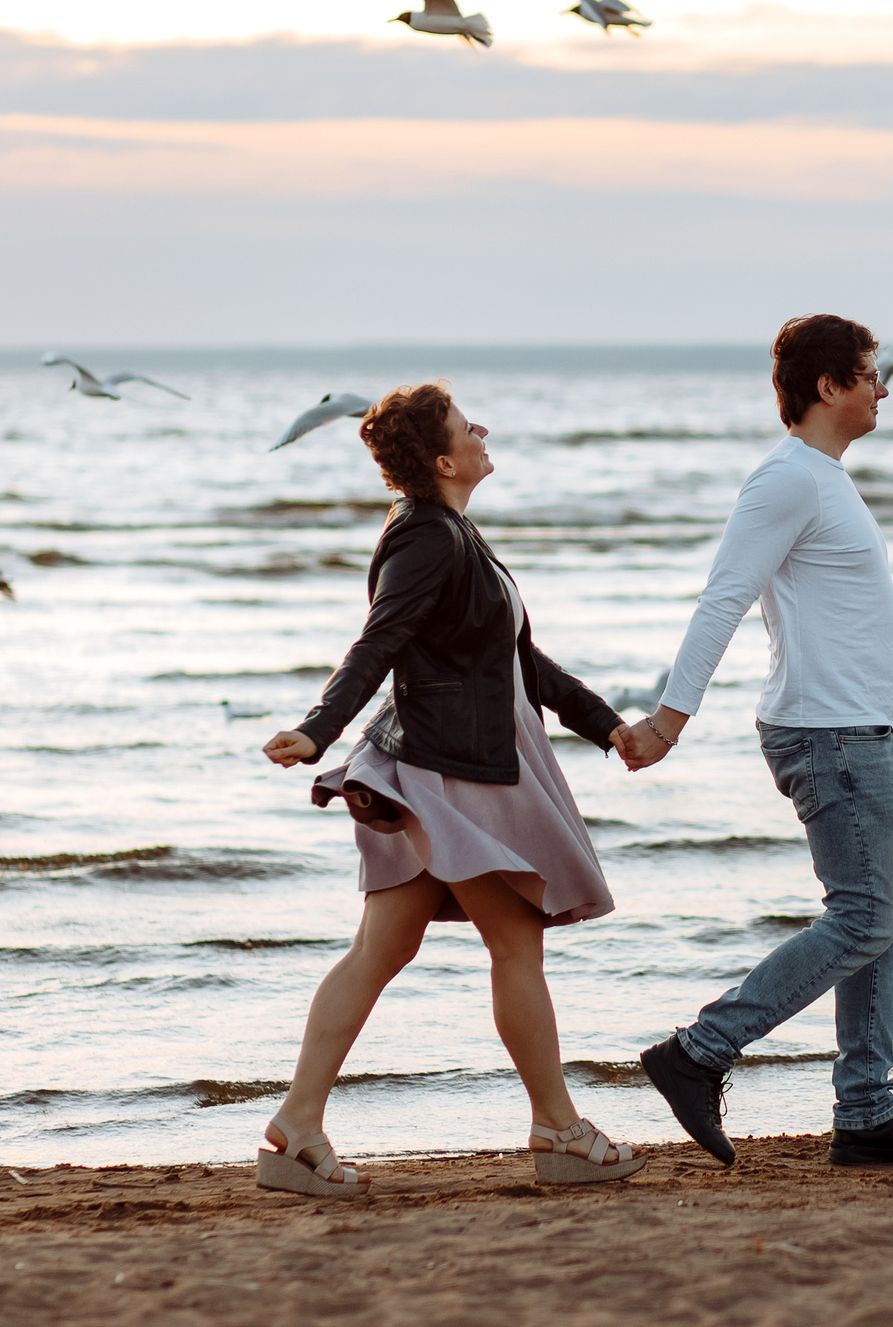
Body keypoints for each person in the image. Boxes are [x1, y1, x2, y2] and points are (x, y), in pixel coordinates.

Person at [255, 382, 661, 1195]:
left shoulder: (452, 533)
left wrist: (606, 724)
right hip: (448, 771)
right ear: (444, 461)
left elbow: (517, 661)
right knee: (514, 943)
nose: (482, 429)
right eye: (465, 426)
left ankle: (296, 1128)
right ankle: (558, 1128)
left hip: (446, 761)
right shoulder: (427, 540)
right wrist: (318, 727)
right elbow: (377, 643)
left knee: (382, 948)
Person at [620, 314, 893, 1168]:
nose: (884, 389)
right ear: (828, 386)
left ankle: (865, 1111)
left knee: (886, 918)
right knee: (863, 917)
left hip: (859, 733)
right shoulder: (789, 481)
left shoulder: (823, 479)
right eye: (870, 373)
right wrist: (669, 719)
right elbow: (722, 598)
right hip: (830, 733)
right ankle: (699, 1051)